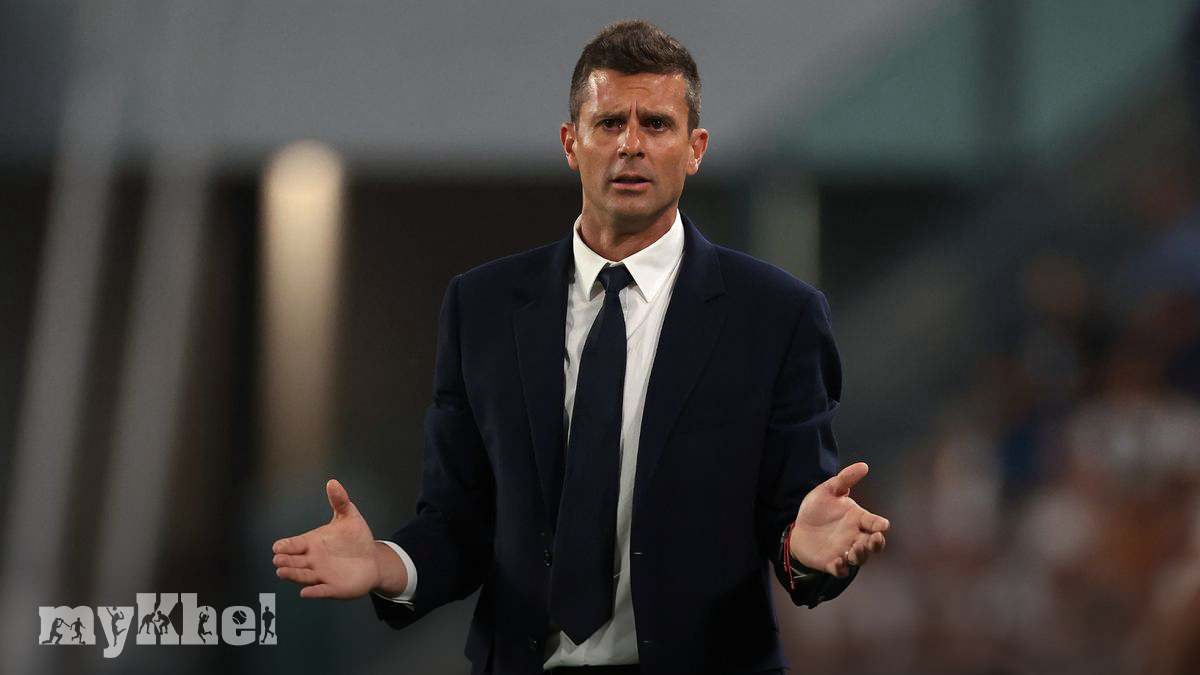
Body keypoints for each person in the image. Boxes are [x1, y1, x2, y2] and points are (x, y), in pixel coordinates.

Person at [273, 19, 889, 675]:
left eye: (657, 124)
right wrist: (385, 563)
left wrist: (805, 549)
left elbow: (795, 523)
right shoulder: (482, 307)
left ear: (695, 148)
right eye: (609, 123)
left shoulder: (778, 316)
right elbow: (458, 522)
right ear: (572, 143)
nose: (631, 145)